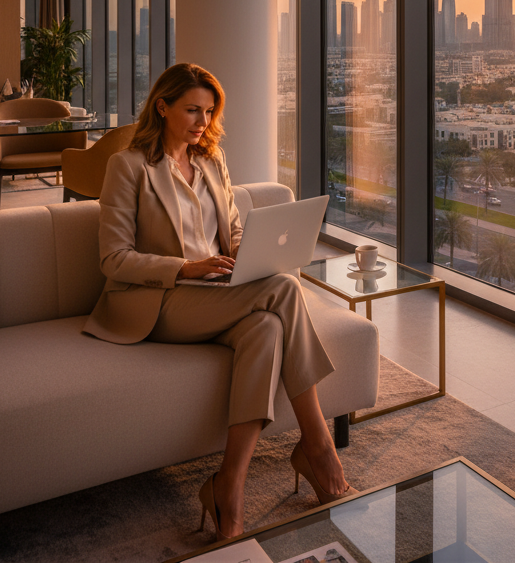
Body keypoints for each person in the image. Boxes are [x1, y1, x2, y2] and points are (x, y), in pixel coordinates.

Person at [83, 63, 352, 538]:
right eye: (192, 110)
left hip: (215, 293)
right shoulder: (128, 166)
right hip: (158, 301)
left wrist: (250, 254)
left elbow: (233, 230)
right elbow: (114, 259)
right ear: (162, 107)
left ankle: (229, 485)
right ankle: (318, 448)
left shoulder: (212, 161)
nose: (202, 122)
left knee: (267, 328)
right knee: (286, 288)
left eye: (209, 112)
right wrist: (186, 267)